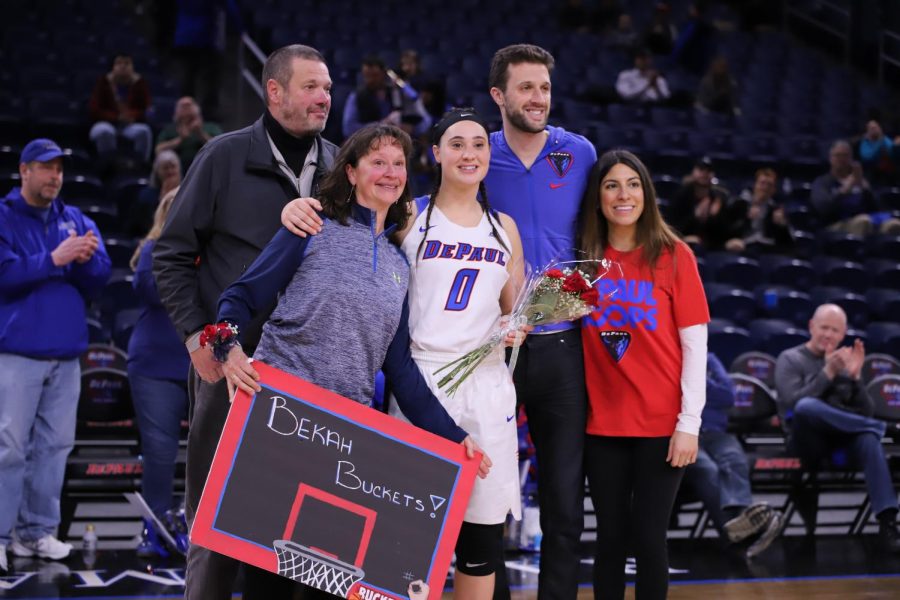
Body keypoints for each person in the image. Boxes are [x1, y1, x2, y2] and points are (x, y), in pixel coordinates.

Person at [217, 123, 491, 599]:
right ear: (351, 171)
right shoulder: (312, 227)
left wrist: (456, 437)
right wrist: (229, 349)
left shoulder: (398, 266)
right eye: (377, 161)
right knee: (268, 579)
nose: (390, 172)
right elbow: (240, 297)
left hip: (344, 438)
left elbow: (401, 369)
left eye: (399, 163)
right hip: (279, 417)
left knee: (332, 581)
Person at [281, 108, 526, 599]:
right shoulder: (408, 215)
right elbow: (360, 248)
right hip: (420, 385)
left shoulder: (506, 228)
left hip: (487, 388)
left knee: (481, 541)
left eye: (478, 144)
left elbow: (515, 310)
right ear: (436, 154)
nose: (469, 153)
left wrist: (519, 327)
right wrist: (293, 210)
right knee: (406, 542)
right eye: (456, 144)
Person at [152, 44, 339, 600]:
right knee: (215, 525)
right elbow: (171, 254)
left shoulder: (338, 167)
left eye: (327, 87)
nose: (324, 96)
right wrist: (197, 338)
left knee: (293, 534)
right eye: (310, 86)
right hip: (233, 364)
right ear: (274, 91)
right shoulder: (223, 157)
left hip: (309, 373)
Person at [486, 43, 597, 599]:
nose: (538, 98)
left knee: (563, 499)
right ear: (498, 95)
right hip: (494, 349)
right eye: (526, 87)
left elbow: (600, 242)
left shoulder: (579, 153)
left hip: (563, 348)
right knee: (488, 494)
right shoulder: (477, 155)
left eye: (545, 88)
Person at [578, 149, 708, 599]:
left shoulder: (675, 256)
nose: (622, 194)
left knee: (650, 540)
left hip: (661, 425)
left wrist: (688, 425)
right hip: (602, 425)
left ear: (646, 193)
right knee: (610, 540)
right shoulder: (584, 262)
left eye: (632, 184)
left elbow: (695, 348)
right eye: (611, 185)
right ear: (597, 197)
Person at [0, 138, 112, 573]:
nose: (55, 177)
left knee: (56, 446)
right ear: (24, 171)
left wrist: (83, 261)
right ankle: (1, 534)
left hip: (67, 355)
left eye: (60, 170)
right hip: (17, 353)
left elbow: (100, 273)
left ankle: (36, 532)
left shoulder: (75, 218)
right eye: (47, 169)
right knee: (9, 447)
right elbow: (5, 274)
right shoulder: (5, 217)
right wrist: (54, 259)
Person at [774, 304, 900, 553]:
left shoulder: (846, 362)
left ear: (843, 335)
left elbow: (865, 414)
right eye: (824, 327)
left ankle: (888, 524)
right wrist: (827, 373)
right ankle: (887, 428)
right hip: (805, 444)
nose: (828, 335)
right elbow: (790, 406)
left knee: (867, 437)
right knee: (807, 406)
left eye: (835, 330)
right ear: (811, 326)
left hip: (841, 442)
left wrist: (855, 379)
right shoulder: (790, 358)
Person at [127, 187, 190, 557]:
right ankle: (153, 531)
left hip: (204, 365)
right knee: (160, 452)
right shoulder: (154, 249)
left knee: (209, 451)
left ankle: (197, 528)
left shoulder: (215, 251)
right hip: (155, 365)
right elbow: (155, 291)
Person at [682, 353, 785, 559]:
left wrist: (695, 382)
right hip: (684, 432)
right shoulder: (668, 356)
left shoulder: (709, 358)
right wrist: (706, 386)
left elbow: (728, 396)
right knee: (707, 468)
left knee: (735, 460)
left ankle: (742, 523)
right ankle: (736, 532)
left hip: (716, 432)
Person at [810, 140, 900, 236]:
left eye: (845, 156)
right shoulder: (822, 182)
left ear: (851, 159)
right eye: (838, 155)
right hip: (835, 224)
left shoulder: (860, 180)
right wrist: (845, 190)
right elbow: (824, 208)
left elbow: (878, 208)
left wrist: (865, 189)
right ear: (831, 158)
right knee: (863, 221)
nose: (842, 159)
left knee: (894, 224)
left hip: (868, 220)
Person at [342, 55, 432, 139]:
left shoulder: (401, 92)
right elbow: (348, 129)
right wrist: (381, 125)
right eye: (366, 76)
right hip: (370, 144)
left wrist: (413, 129)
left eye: (374, 75)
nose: (370, 80)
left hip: (401, 142)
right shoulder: (356, 96)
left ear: (384, 74)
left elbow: (426, 120)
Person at [88, 53, 153, 163]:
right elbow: (94, 110)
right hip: (106, 123)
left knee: (144, 131)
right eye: (119, 63)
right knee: (104, 131)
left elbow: (147, 109)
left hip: (129, 125)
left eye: (127, 63)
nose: (123, 66)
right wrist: (116, 117)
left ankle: (141, 166)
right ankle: (108, 165)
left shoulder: (139, 83)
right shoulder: (104, 82)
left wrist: (131, 116)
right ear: (113, 67)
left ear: (133, 67)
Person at [669, 156, 732, 251]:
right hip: (683, 243)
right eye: (701, 169)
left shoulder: (717, 198)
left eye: (708, 171)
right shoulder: (681, 195)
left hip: (710, 246)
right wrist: (695, 216)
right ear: (693, 172)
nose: (704, 173)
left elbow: (722, 233)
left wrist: (714, 216)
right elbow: (672, 226)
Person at [724, 167, 793, 253]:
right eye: (762, 183)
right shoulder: (740, 204)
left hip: (767, 250)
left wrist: (781, 226)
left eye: (769, 185)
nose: (765, 188)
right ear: (755, 185)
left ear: (773, 190)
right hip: (742, 246)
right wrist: (747, 218)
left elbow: (789, 242)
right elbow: (727, 230)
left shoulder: (776, 209)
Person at [154, 96, 223, 172]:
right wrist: (180, 139)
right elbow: (159, 150)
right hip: (176, 169)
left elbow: (220, 148)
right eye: (183, 106)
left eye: (188, 105)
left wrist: (200, 133)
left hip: (205, 166)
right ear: (177, 110)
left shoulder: (210, 127)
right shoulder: (169, 129)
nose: (186, 109)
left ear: (197, 108)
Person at [126, 150, 182, 237]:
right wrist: (162, 201)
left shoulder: (188, 193)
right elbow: (141, 226)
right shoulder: (145, 196)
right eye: (165, 168)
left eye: (173, 167)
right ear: (157, 172)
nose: (170, 172)